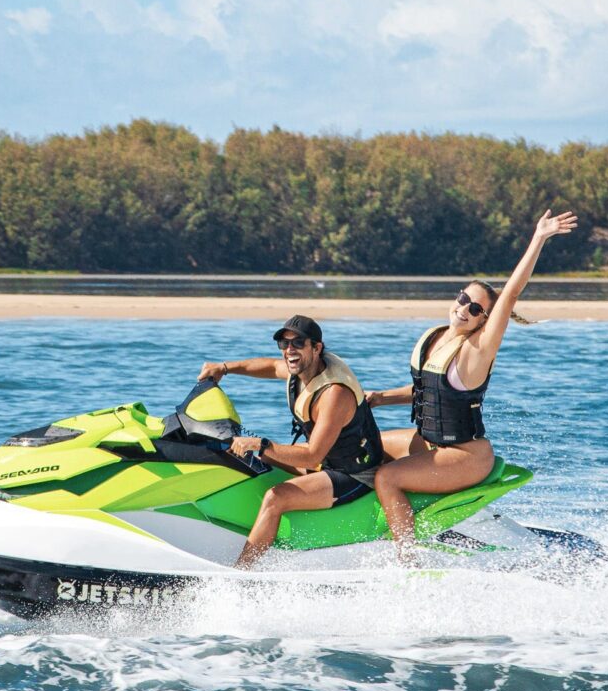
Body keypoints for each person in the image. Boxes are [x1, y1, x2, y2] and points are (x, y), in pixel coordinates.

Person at [366, 209, 578, 560]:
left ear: (485, 320)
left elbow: (509, 295)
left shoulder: (476, 351)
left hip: (464, 455)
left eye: (476, 309)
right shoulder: (433, 336)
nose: (465, 309)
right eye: (464, 299)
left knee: (387, 478)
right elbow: (428, 394)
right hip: (429, 444)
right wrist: (377, 399)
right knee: (368, 444)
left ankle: (407, 559)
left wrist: (539, 237)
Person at [198, 314, 384, 568]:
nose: (289, 350)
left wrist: (261, 444)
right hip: (329, 460)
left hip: (354, 473)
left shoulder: (334, 394)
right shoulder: (304, 368)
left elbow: (312, 456)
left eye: (297, 343)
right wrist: (225, 367)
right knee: (249, 461)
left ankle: (241, 573)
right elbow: (271, 367)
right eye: (284, 344)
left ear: (316, 348)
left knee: (276, 497)